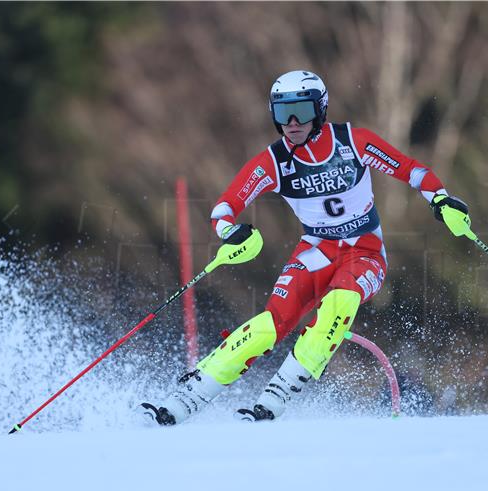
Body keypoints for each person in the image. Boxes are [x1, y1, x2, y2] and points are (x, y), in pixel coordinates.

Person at [140, 70, 470, 425]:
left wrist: (441, 199)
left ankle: (278, 394)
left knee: (340, 302)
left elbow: (411, 170)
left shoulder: (353, 142)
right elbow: (224, 207)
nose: (293, 123)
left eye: (301, 111)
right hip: (315, 251)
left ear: (321, 109)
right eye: (283, 114)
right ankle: (187, 397)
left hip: (365, 251)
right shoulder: (276, 160)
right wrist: (230, 232)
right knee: (270, 325)